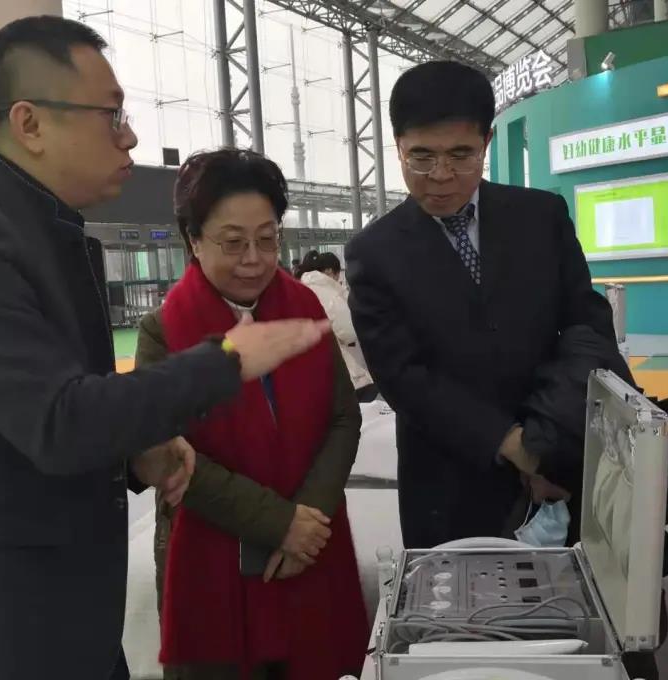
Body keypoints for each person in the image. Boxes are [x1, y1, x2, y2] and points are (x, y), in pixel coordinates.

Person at [0, 17, 327, 680]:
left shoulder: (42, 234)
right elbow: (59, 420)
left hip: (59, 621)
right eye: (112, 116)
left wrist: (135, 451)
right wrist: (227, 358)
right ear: (29, 123)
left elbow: (24, 418)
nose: (129, 136)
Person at [345, 61, 625, 551]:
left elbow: (585, 325)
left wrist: (547, 440)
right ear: (398, 147)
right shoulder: (375, 252)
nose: (441, 176)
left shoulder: (540, 217)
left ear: (487, 142)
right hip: (448, 478)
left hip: (562, 458)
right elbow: (404, 377)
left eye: (461, 155)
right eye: (421, 157)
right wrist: (515, 446)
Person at [141, 148, 367, 678]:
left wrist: (308, 521)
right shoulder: (164, 332)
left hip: (313, 545)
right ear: (193, 240)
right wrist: (279, 523)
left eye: (267, 239)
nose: (254, 259)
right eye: (233, 242)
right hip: (212, 560)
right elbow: (168, 458)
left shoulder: (305, 311)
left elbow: (343, 418)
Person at [300, 252, 377, 402]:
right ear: (330, 271)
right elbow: (349, 330)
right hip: (345, 372)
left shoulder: (301, 288)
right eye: (338, 274)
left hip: (314, 372)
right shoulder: (327, 293)